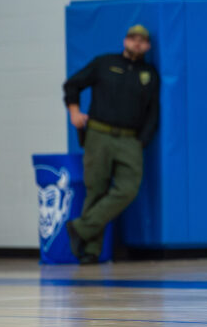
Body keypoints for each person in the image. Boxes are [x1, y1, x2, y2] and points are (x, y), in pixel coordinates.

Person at [62, 24, 160, 264]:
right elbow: (72, 85)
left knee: (127, 189)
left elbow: (153, 112)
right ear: (125, 41)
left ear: (147, 46)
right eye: (133, 38)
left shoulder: (149, 74)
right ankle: (90, 252)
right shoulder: (104, 63)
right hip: (99, 134)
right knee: (96, 189)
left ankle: (81, 228)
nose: (137, 43)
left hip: (130, 139)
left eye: (142, 40)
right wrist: (74, 113)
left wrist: (141, 141)